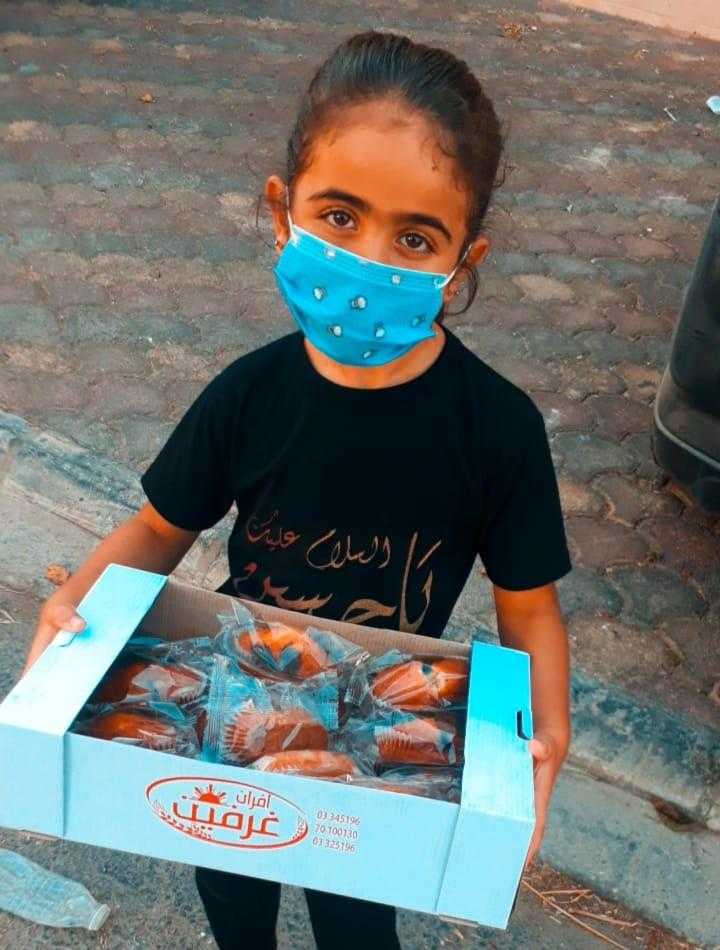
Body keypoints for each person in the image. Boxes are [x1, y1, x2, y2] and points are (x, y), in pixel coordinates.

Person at [24, 30, 573, 950]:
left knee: (356, 921)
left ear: (461, 261)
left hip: (382, 732)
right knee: (230, 886)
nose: (369, 258)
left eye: (414, 238)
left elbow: (530, 610)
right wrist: (73, 600)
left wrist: (547, 733)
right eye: (340, 216)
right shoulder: (250, 395)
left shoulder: (498, 430)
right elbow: (158, 529)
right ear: (283, 211)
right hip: (233, 714)